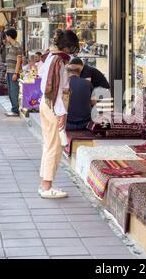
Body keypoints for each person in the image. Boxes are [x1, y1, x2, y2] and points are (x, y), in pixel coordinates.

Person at [38, 29, 79, 199]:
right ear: (68, 47)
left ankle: (45, 184)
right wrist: (62, 112)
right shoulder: (59, 61)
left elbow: (44, 79)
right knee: (54, 147)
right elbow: (55, 90)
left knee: (49, 145)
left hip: (47, 104)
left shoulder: (50, 57)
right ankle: (47, 187)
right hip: (54, 105)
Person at [66, 58, 97, 131]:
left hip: (67, 124)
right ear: (79, 73)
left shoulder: (63, 84)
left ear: (67, 73)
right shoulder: (88, 83)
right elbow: (94, 103)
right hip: (86, 124)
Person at [4, 28, 23, 117]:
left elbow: (19, 60)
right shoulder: (10, 46)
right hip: (9, 71)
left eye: (7, 36)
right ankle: (13, 108)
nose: (6, 38)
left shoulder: (17, 46)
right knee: (10, 91)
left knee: (14, 90)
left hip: (14, 72)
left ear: (9, 36)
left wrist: (16, 73)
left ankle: (15, 110)